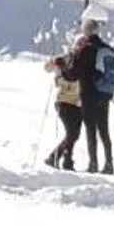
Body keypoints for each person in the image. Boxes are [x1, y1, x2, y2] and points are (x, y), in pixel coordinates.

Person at [65, 11, 114, 174]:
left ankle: (93, 163)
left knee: (90, 129)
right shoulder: (107, 49)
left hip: (89, 94)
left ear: (86, 31)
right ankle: (109, 164)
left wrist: (65, 67)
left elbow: (73, 74)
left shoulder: (86, 49)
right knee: (104, 129)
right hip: (105, 94)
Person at [41, 38, 84, 170]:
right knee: (72, 133)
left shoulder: (84, 62)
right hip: (63, 101)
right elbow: (47, 67)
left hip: (77, 102)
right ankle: (55, 157)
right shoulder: (65, 59)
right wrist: (55, 62)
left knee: (74, 134)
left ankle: (67, 160)